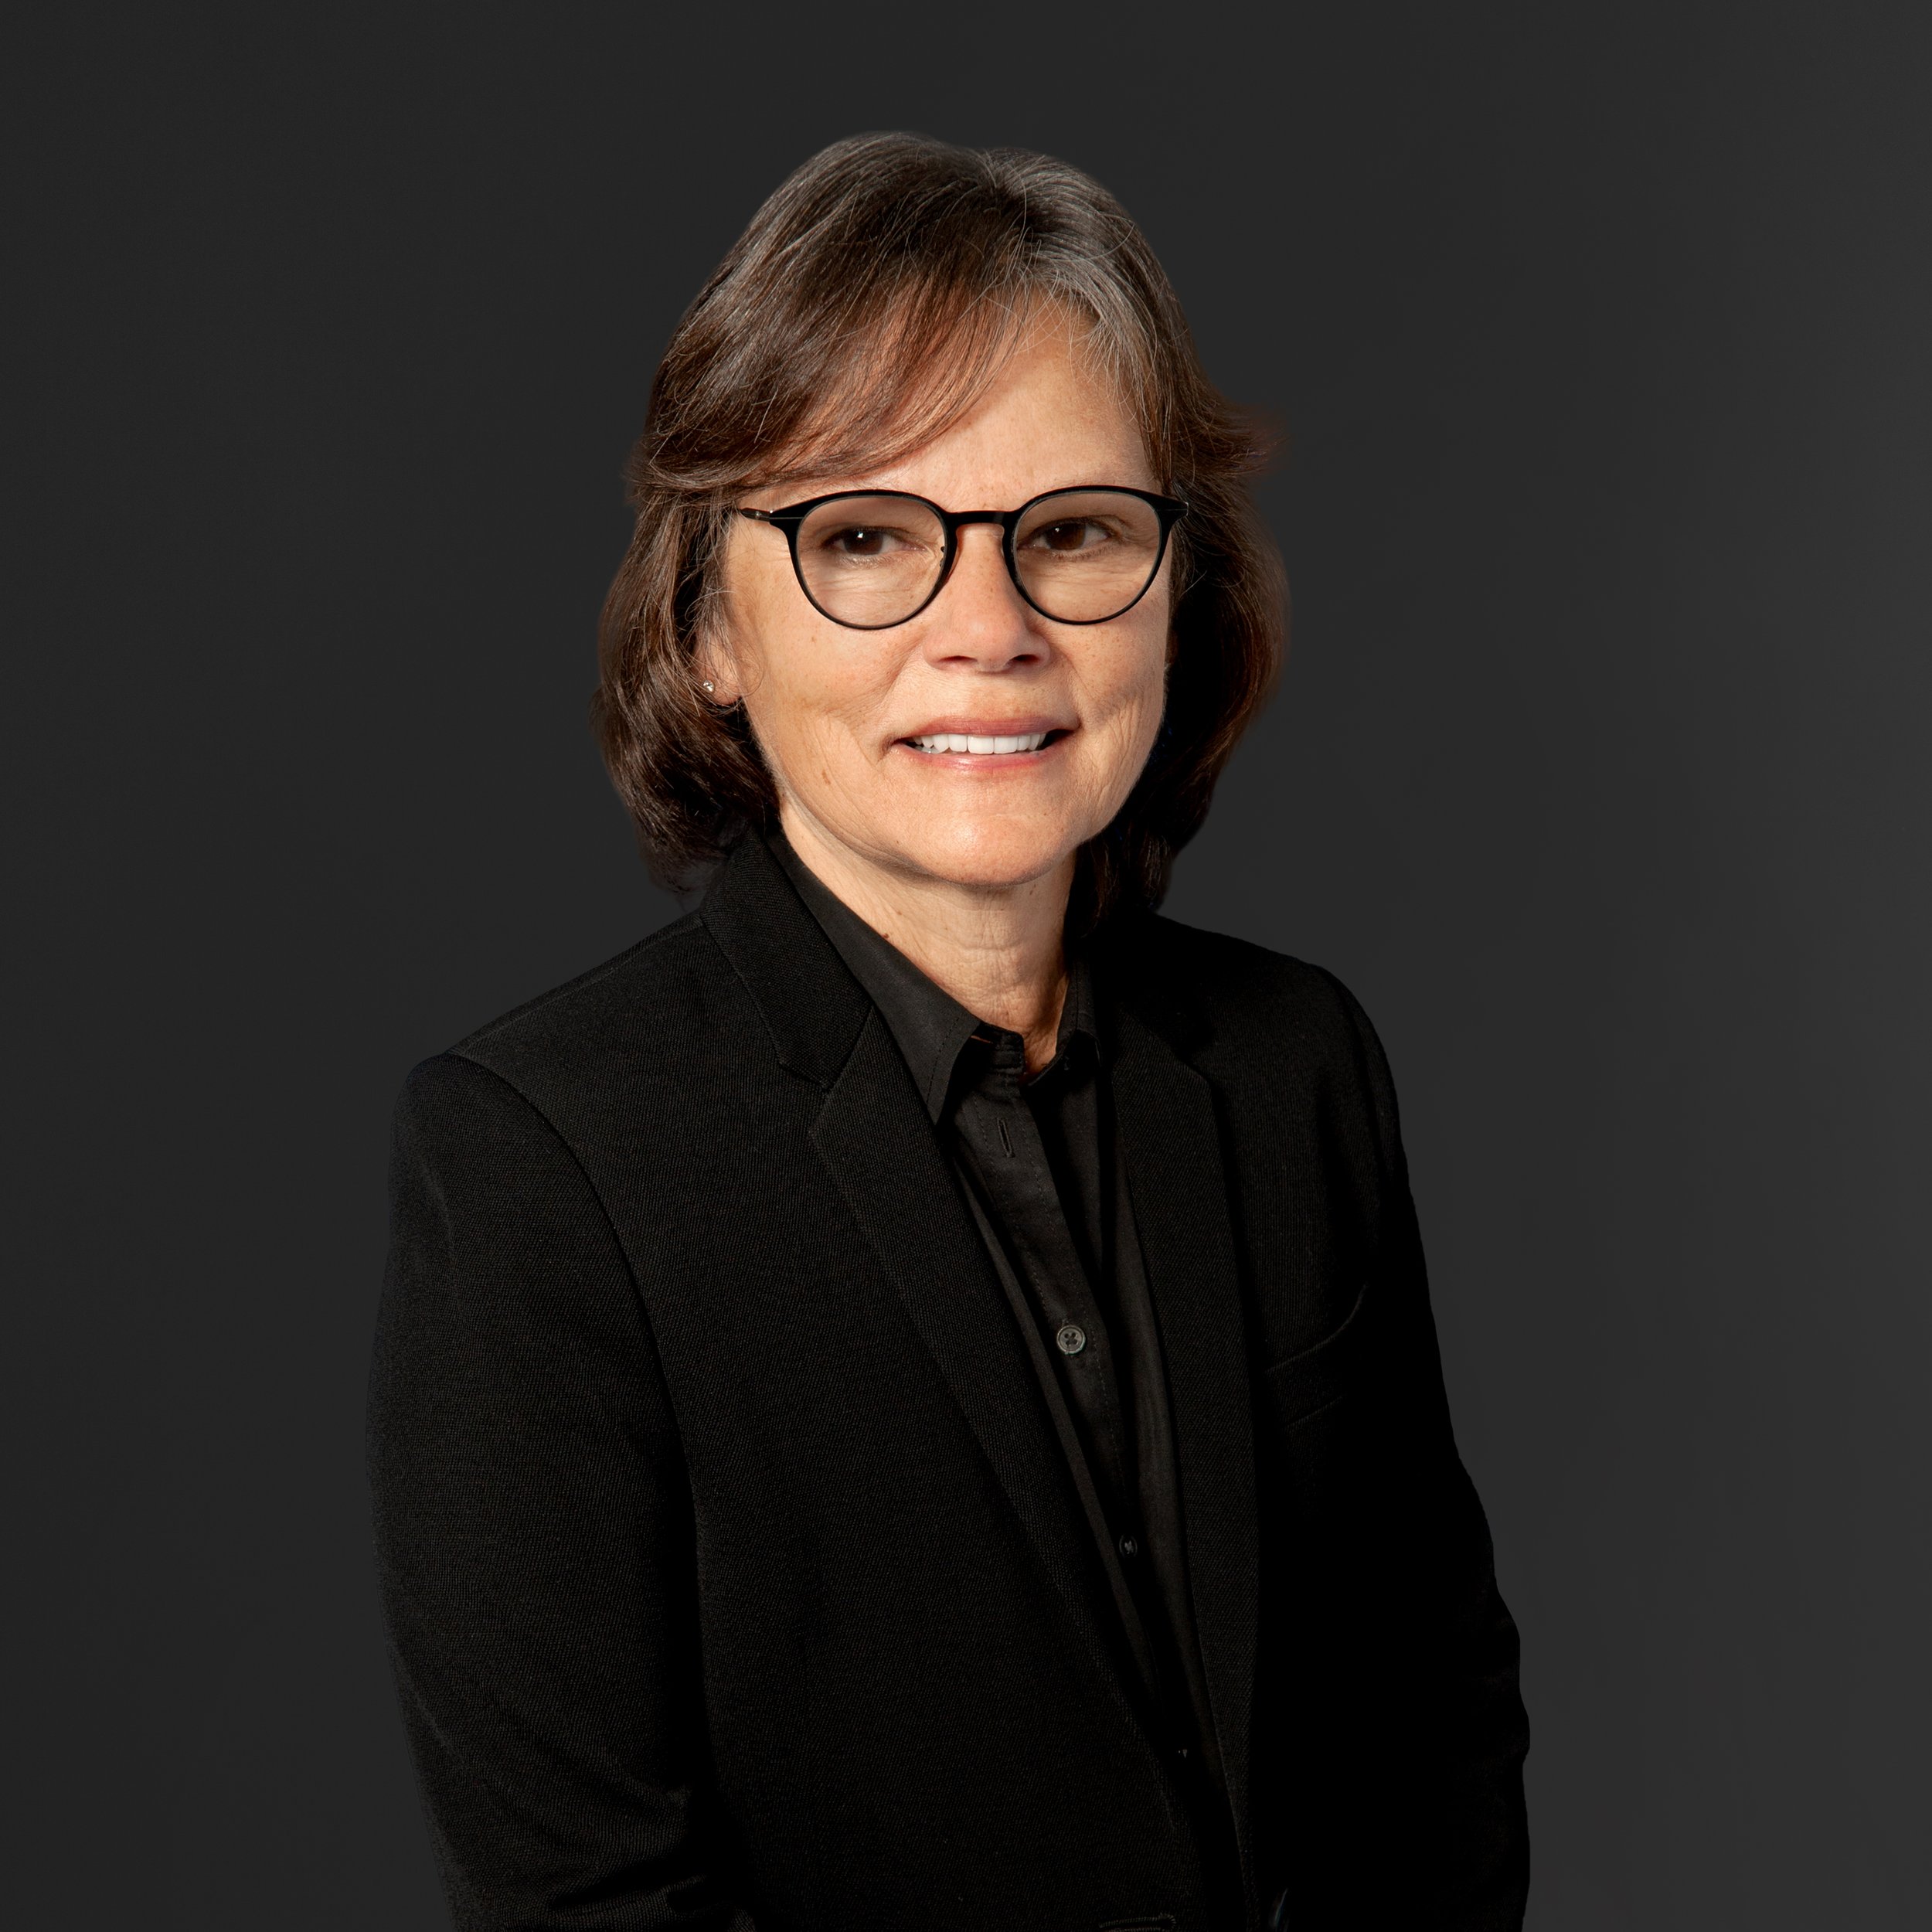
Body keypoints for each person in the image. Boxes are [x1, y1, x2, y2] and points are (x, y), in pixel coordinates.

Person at [368, 132, 1530, 1932]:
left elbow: (1424, 1723)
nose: (984, 628)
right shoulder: (549, 1165)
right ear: (707, 631)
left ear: (1176, 584)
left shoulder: (1295, 1064)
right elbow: (590, 1903)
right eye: (864, 539)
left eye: (1067, 531)